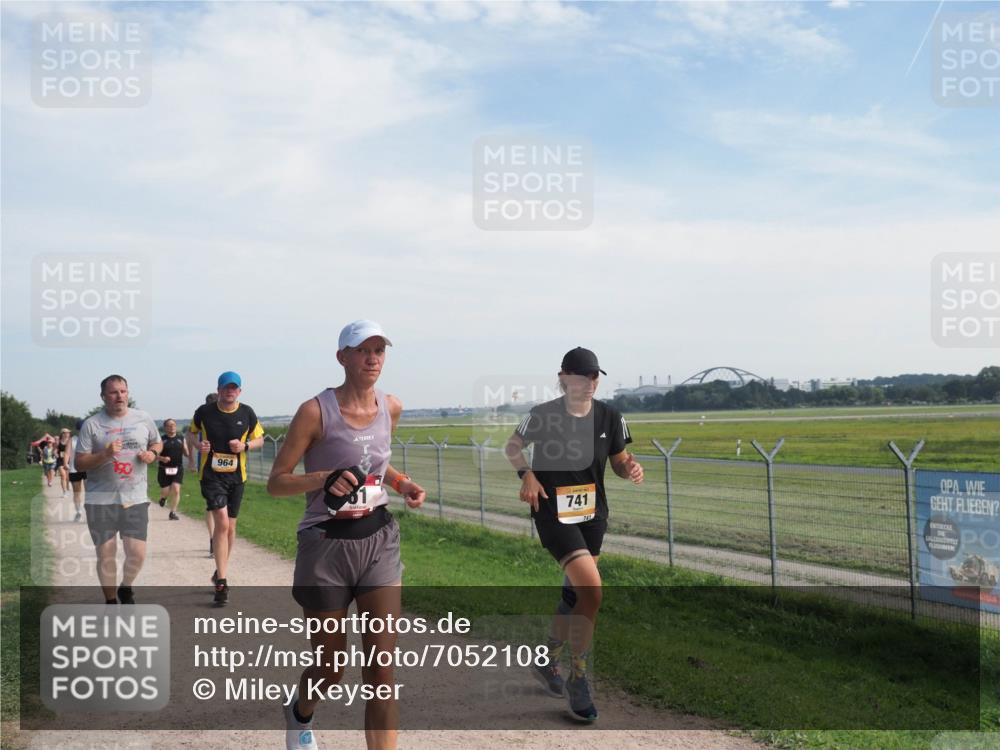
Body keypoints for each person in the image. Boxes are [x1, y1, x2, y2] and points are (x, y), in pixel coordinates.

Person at [267, 319, 426, 750]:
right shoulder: (314, 411)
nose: (372, 358)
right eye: (362, 350)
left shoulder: (390, 406)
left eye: (379, 350)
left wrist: (401, 483)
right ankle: (300, 712)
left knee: (381, 669)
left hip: (379, 540)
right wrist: (323, 478)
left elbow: (374, 462)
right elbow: (276, 482)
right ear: (342, 357)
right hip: (325, 544)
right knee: (331, 665)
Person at [504, 346, 644, 722]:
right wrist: (527, 474)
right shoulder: (543, 415)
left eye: (595, 376)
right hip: (553, 513)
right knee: (592, 593)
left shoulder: (611, 417)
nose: (590, 383)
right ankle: (578, 679)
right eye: (582, 376)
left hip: (593, 515)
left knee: (576, 595)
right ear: (564, 377)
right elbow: (513, 447)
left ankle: (545, 658)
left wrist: (629, 467)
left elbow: (617, 462)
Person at [75, 375, 162, 604]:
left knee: (137, 553)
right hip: (100, 499)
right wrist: (105, 454)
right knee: (106, 554)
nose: (119, 396)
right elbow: (79, 463)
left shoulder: (143, 418)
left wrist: (152, 454)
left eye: (123, 391)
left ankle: (126, 586)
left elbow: (157, 442)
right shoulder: (92, 424)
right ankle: (111, 602)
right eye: (113, 392)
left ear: (128, 393)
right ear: (103, 397)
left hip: (135, 497)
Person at [189, 373, 264, 605]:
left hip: (236, 477)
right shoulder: (205, 411)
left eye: (234, 388)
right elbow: (190, 433)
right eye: (226, 388)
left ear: (239, 391)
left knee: (230, 528)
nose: (230, 392)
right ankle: (222, 581)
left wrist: (245, 446)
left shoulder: (247, 412)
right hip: (211, 476)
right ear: (219, 389)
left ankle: (219, 569)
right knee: (221, 522)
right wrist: (197, 444)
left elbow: (260, 439)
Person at [188, 393, 219, 556]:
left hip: (228, 469)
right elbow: (190, 434)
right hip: (207, 466)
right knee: (211, 505)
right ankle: (213, 539)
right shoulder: (201, 416)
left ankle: (218, 536)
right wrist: (193, 459)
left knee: (223, 506)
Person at [157, 419, 189, 520]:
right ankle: (163, 498)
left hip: (178, 468)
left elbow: (186, 452)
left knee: (176, 489)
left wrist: (187, 453)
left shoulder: (181, 438)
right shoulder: (161, 440)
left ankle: (173, 512)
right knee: (165, 491)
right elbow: (155, 455)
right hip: (164, 469)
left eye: (174, 425)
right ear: (165, 428)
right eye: (170, 425)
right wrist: (162, 458)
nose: (172, 427)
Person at [66, 421, 87, 522]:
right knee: (76, 492)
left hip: (88, 468)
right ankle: (79, 511)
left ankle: (90, 512)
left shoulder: (90, 439)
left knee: (90, 492)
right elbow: (67, 453)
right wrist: (65, 463)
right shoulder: (72, 440)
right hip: (74, 469)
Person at [56, 429, 72, 496]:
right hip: (60, 460)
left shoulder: (70, 441)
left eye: (68, 433)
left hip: (68, 460)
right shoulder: (58, 442)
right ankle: (64, 492)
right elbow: (55, 450)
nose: (67, 434)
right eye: (66, 433)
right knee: (63, 475)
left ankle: (68, 489)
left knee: (68, 477)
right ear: (62, 433)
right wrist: (56, 454)